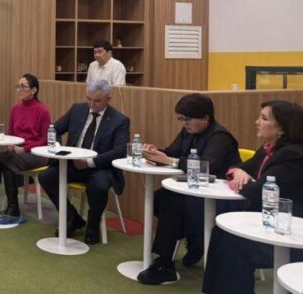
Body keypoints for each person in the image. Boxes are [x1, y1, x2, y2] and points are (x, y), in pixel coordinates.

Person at [201, 101, 303, 294]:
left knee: (234, 243)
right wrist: (239, 172)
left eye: (264, 118)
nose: (257, 122)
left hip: (291, 233)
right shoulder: (268, 149)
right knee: (222, 232)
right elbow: (238, 168)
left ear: (282, 128)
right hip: (268, 223)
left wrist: (243, 180)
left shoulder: (294, 156)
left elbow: (257, 192)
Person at [137, 93, 240, 285]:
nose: (184, 123)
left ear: (206, 118)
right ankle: (195, 239)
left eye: (187, 119)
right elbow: (172, 152)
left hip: (217, 196)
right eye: (181, 119)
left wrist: (170, 160)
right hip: (192, 190)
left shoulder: (220, 137)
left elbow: (206, 167)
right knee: (158, 199)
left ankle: (165, 263)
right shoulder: (189, 131)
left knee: (172, 205)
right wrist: (155, 152)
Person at [39, 79, 130, 244]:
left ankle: (93, 224)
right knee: (46, 177)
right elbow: (54, 128)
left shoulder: (119, 120)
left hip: (99, 167)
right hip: (72, 164)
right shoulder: (77, 109)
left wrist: (89, 162)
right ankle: (71, 217)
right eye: (88, 99)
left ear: (108, 99)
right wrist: (57, 146)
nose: (91, 104)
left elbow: (120, 150)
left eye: (97, 101)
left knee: (99, 185)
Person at [0, 73, 51, 224]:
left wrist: (25, 148)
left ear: (34, 90)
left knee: (6, 161)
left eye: (23, 86)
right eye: (18, 86)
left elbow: (46, 139)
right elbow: (11, 133)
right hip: (17, 151)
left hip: (36, 152)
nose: (19, 89)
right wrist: (10, 144)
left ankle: (13, 209)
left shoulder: (42, 110)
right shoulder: (15, 109)